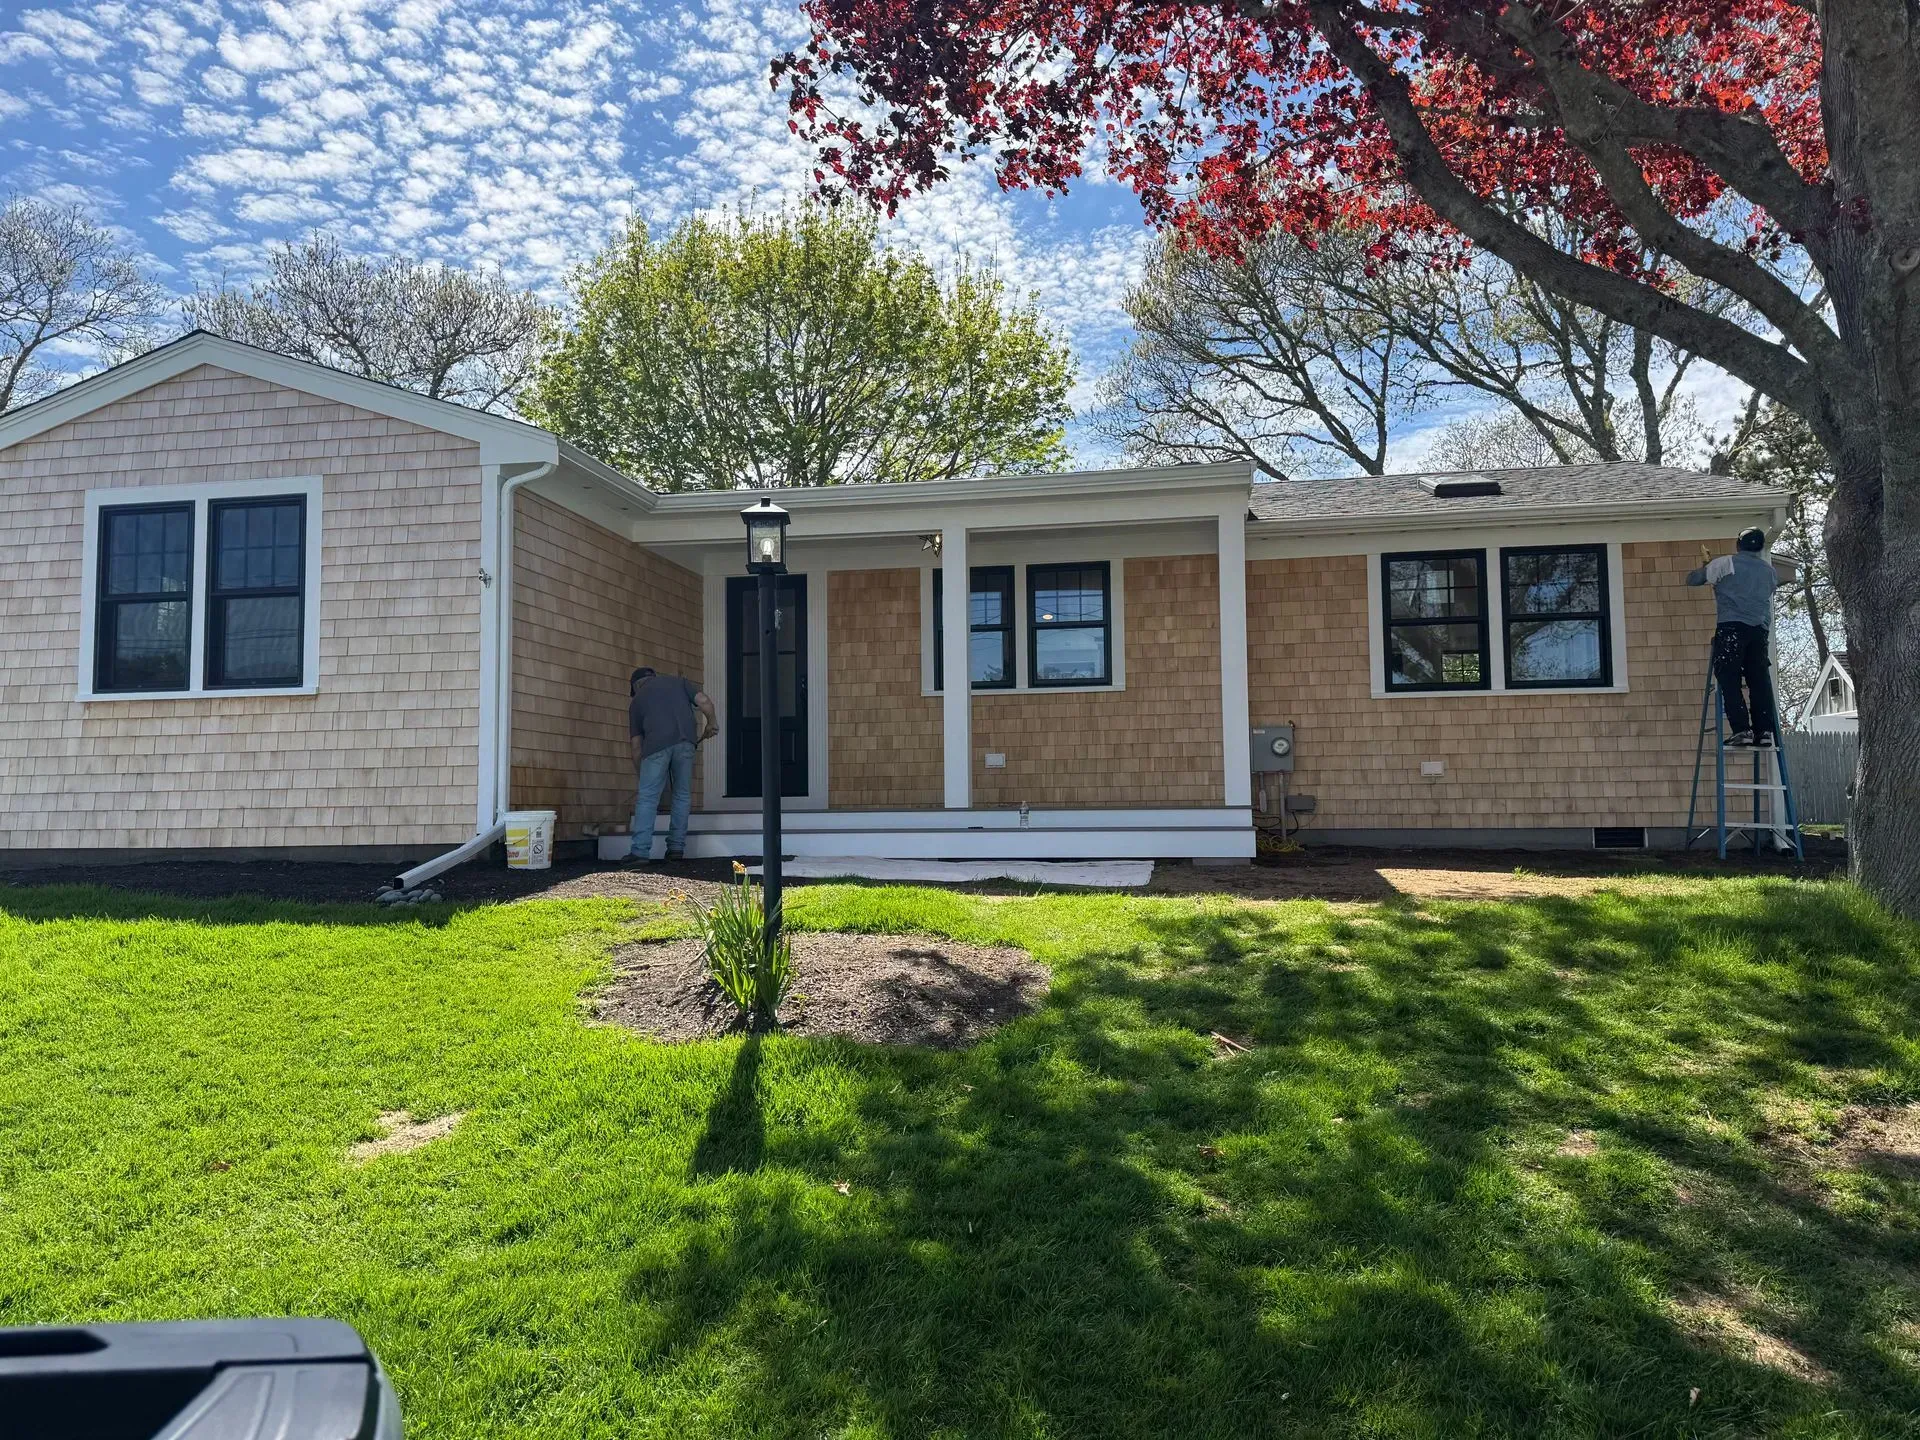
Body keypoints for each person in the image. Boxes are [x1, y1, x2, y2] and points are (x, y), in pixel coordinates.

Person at [1687, 527, 1780, 747]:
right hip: (1759, 631)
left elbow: (1693, 580)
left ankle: (1742, 730)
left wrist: (1707, 568)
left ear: (1739, 545)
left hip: (1731, 629)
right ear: (1759, 547)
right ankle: (1764, 731)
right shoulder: (1769, 571)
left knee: (1729, 677)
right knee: (1758, 680)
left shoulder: (1726, 563)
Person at [626, 665, 717, 862]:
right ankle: (676, 848)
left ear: (636, 687)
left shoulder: (637, 702)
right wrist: (712, 722)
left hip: (655, 747)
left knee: (648, 798)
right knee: (682, 795)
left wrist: (642, 776)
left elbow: (636, 746)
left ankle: (640, 852)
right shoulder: (679, 683)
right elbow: (704, 701)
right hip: (686, 743)